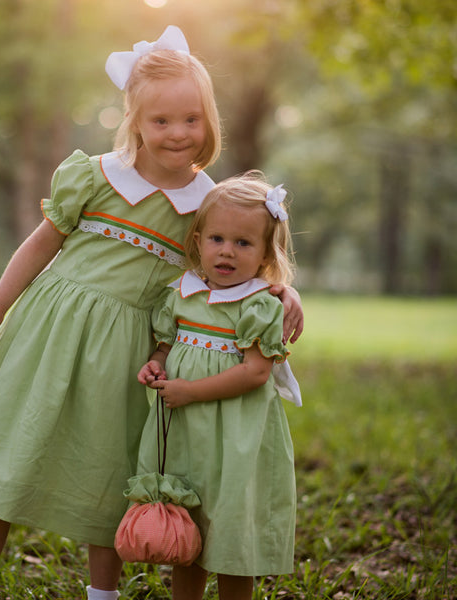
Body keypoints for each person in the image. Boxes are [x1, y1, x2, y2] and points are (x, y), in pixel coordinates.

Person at [0, 26, 303, 600]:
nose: (178, 134)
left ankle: (101, 593)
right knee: (10, 446)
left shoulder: (205, 202)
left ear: (210, 122)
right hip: (52, 330)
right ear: (134, 121)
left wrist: (285, 292)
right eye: (161, 121)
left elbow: (241, 254)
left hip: (132, 349)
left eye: (192, 120)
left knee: (107, 470)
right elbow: (41, 243)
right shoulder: (95, 177)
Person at [136, 171, 301, 600]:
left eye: (244, 243)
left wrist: (190, 391)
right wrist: (156, 366)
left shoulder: (260, 306)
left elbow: (255, 373)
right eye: (217, 239)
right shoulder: (180, 295)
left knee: (230, 530)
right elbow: (165, 345)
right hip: (187, 436)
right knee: (187, 529)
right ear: (198, 240)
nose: (227, 251)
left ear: (266, 253)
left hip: (236, 435)